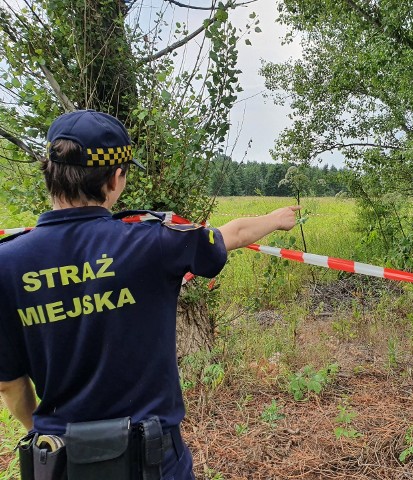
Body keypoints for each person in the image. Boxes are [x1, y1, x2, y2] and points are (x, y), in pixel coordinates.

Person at [0, 109, 300, 479]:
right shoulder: (154, 242)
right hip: (151, 461)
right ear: (116, 177)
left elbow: (9, 384)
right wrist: (276, 218)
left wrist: (49, 435)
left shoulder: (6, 263)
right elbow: (230, 235)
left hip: (60, 462)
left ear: (50, 173)